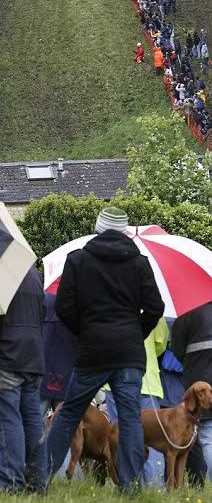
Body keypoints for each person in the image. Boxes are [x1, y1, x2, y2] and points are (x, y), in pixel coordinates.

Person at [46, 207, 164, 493]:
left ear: (98, 228)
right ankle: (130, 487)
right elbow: (155, 308)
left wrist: (86, 332)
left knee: (70, 412)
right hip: (129, 352)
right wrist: (136, 333)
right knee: (130, 418)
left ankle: (39, 478)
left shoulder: (77, 260)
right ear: (125, 231)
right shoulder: (140, 263)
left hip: (92, 350)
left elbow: (64, 307)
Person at [0, 266, 47, 493]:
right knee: (32, 419)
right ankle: (38, 481)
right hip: (32, 356)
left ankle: (10, 481)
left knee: (7, 419)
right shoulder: (33, 274)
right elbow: (42, 312)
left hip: (5, 354)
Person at [105, 318, 169, 485]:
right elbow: (161, 342)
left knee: (121, 438)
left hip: (115, 381)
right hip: (148, 381)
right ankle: (155, 486)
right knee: (154, 440)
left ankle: (128, 485)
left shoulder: (112, 303)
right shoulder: (152, 304)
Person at [171, 302, 212, 480]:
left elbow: (176, 348)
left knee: (206, 436)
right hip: (202, 385)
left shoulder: (187, 309)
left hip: (199, 382)